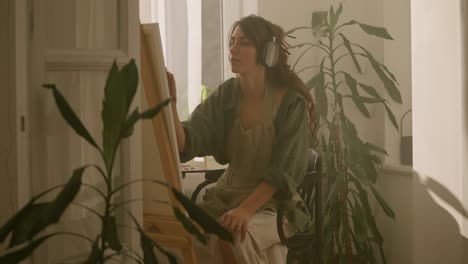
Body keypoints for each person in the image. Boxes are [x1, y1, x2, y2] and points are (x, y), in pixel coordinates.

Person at [166, 15, 316, 264]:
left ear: (267, 52)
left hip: (274, 206)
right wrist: (169, 102)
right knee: (189, 238)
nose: (232, 50)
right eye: (232, 42)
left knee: (237, 238)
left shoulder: (291, 102)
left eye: (243, 43)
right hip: (226, 197)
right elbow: (186, 141)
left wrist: (246, 211)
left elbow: (283, 172)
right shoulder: (226, 94)